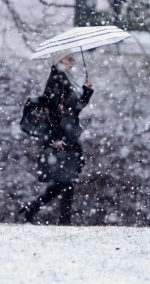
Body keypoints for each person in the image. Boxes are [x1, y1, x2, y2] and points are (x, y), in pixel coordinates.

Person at [19, 50, 94, 225]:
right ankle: (63, 221)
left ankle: (35, 210)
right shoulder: (57, 80)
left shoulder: (63, 79)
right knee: (67, 181)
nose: (73, 63)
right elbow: (53, 112)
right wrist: (54, 139)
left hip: (66, 136)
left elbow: (74, 109)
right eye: (70, 59)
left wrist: (87, 91)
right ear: (59, 60)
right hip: (62, 137)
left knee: (66, 181)